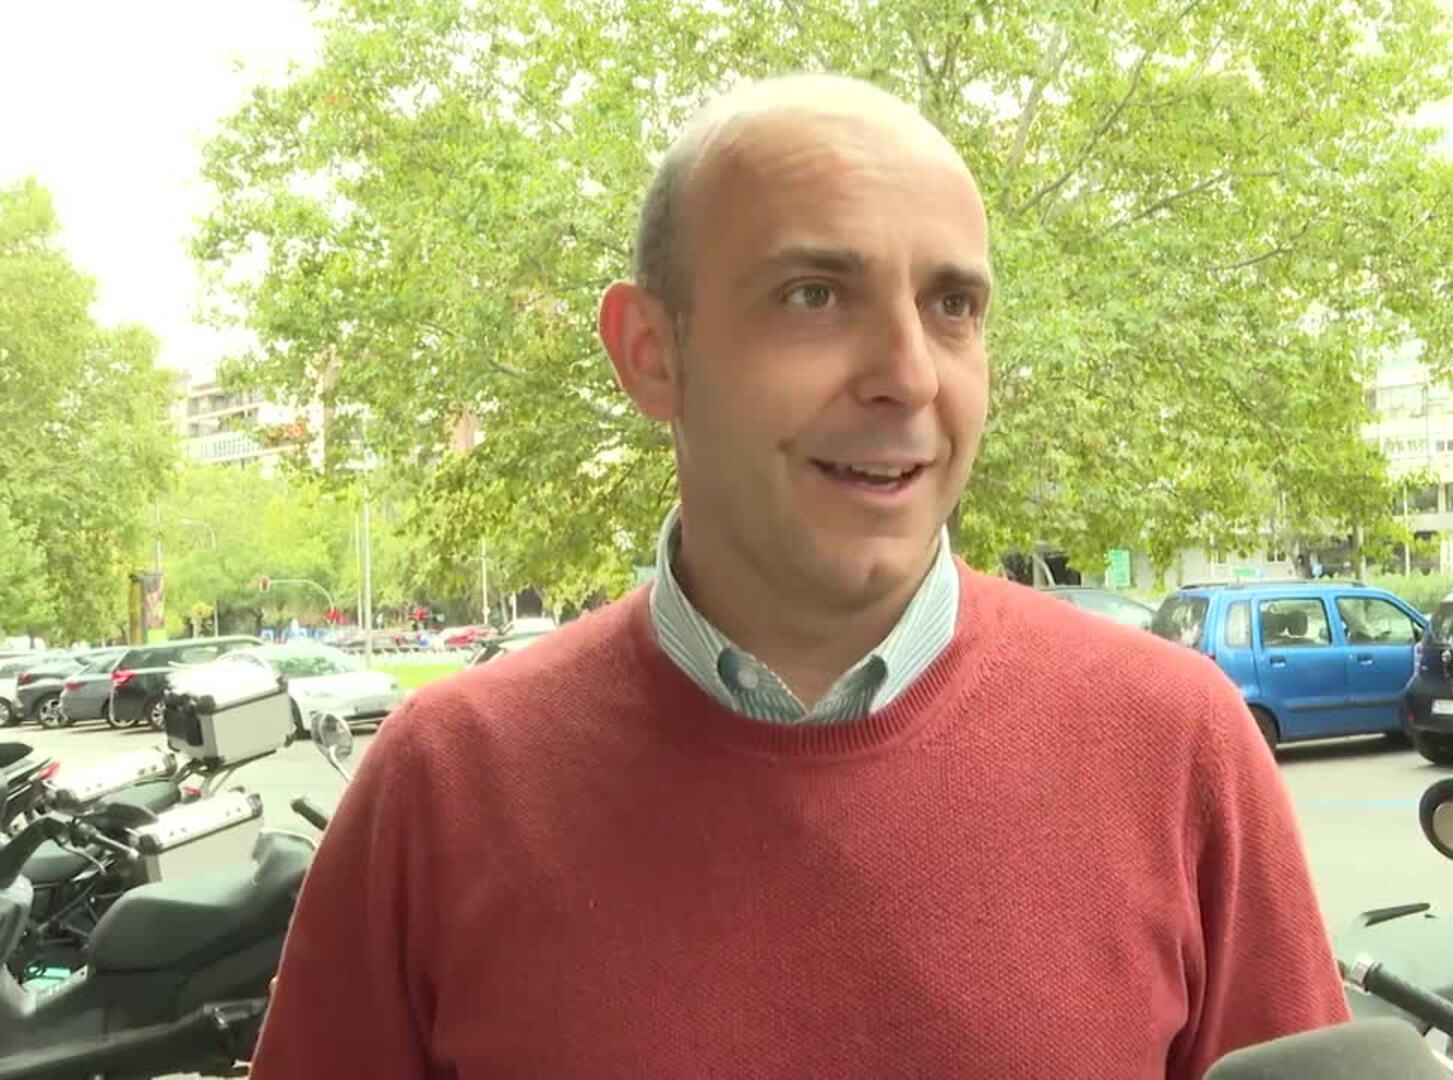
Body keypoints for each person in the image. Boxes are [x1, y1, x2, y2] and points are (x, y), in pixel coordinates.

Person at [252, 73, 1348, 1078]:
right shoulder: (444, 784)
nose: (909, 376)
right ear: (651, 353)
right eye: (815, 296)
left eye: (953, 307)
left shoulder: (1175, 745)